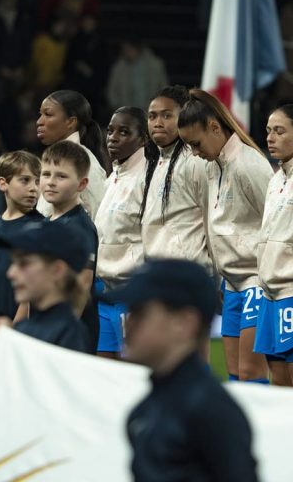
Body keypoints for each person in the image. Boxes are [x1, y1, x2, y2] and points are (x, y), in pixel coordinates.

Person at [108, 259, 258, 481]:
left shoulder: (210, 410)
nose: (128, 323)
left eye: (140, 312)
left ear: (185, 323)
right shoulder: (146, 408)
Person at [178, 89, 273, 383]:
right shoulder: (212, 166)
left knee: (251, 372)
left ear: (215, 127)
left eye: (196, 143)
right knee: (235, 374)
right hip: (232, 284)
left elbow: (275, 226)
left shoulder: (249, 165)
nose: (194, 152)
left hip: (259, 280)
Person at [254, 105, 293, 389]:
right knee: (278, 383)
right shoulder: (277, 177)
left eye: (280, 131)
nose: (271, 137)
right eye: (269, 130)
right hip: (270, 293)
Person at [94, 107, 148, 358]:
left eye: (124, 132)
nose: (113, 137)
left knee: (133, 373)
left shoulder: (148, 179)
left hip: (132, 294)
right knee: (106, 374)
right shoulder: (110, 179)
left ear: (143, 139)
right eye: (110, 130)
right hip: (106, 293)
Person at [0, 220, 91, 353]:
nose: (10, 273)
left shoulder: (70, 334)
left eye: (24, 263)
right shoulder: (24, 326)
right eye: (13, 263)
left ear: (57, 270)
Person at [140, 86, 210, 271]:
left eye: (167, 115)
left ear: (184, 117)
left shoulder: (196, 161)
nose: (157, 123)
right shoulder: (152, 163)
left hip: (188, 273)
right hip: (156, 271)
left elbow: (211, 219)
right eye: (152, 116)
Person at [40, 141, 99, 353]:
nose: (51, 182)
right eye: (46, 174)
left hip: (71, 337)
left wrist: (62, 331)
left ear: (82, 184)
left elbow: (82, 283)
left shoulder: (79, 227)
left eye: (61, 176)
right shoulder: (47, 222)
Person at [0, 151, 43, 325]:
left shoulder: (41, 227)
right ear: (2, 183)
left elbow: (30, 292)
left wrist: (14, 330)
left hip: (19, 331)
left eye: (37, 181)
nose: (34, 188)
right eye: (25, 180)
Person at [35, 89, 109, 218]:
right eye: (40, 114)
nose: (39, 121)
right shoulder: (54, 157)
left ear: (70, 122)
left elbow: (98, 217)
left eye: (48, 114)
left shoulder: (85, 162)